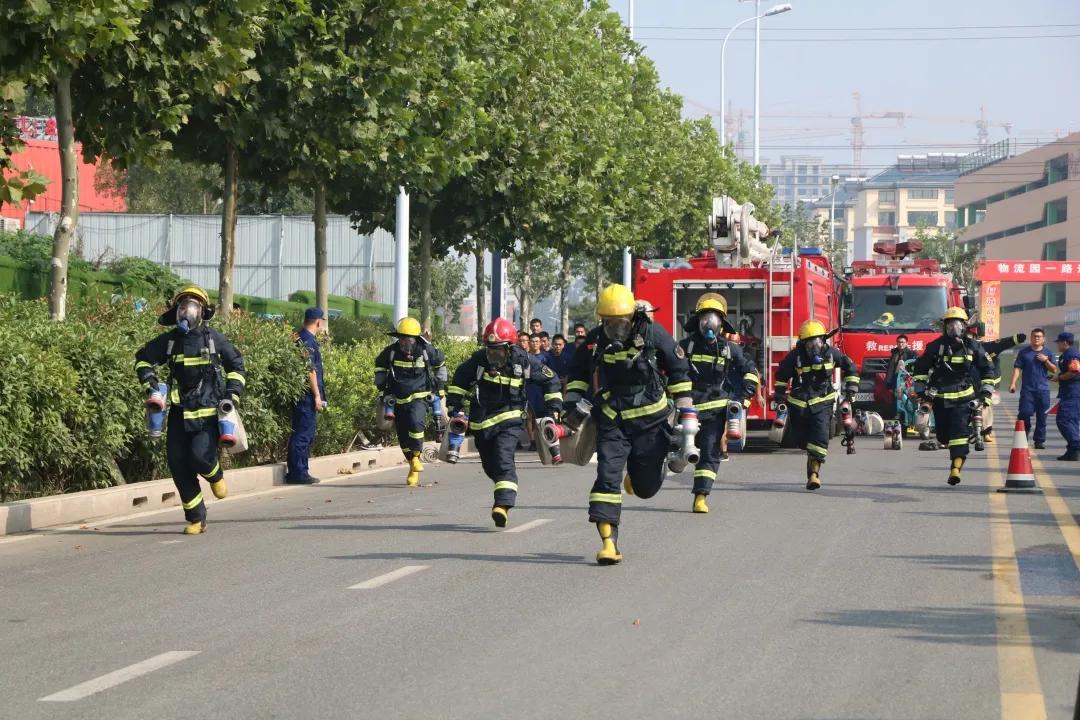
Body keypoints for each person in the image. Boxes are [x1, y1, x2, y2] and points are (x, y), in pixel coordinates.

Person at [564, 284, 692, 565]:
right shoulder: (595, 341)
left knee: (645, 489)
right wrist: (570, 405)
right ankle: (609, 543)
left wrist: (686, 414)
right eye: (609, 323)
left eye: (621, 322)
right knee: (606, 477)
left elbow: (679, 372)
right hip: (613, 421)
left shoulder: (653, 333)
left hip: (651, 421)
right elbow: (577, 374)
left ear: (632, 316)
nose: (616, 329)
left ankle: (645, 472)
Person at [135, 286, 246, 534]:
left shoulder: (213, 339)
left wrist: (232, 396)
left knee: (199, 457)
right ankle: (197, 518)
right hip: (178, 411)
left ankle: (215, 475)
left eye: (193, 306)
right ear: (176, 311)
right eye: (183, 306)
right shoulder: (170, 341)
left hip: (207, 412)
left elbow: (237, 366)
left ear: (202, 311)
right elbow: (142, 358)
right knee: (177, 464)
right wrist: (150, 382)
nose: (188, 311)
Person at [446, 318, 562, 526]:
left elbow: (551, 380)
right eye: (490, 350)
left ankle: (502, 505)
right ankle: (503, 490)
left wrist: (554, 410)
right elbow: (460, 380)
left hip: (511, 419)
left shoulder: (523, 361)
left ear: (509, 348)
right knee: (491, 467)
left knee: (503, 459)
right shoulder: (479, 360)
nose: (493, 355)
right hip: (482, 423)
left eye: (498, 350)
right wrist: (455, 406)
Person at [678, 293, 759, 513]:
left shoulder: (729, 349)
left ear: (722, 323)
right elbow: (667, 372)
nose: (709, 323)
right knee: (666, 445)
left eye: (714, 318)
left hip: (714, 409)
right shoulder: (685, 347)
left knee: (709, 452)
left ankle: (701, 496)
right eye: (705, 318)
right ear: (698, 321)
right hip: (685, 408)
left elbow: (750, 372)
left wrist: (744, 398)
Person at [912, 307, 998, 485]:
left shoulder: (974, 346)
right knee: (943, 437)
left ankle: (955, 470)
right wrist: (921, 392)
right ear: (945, 326)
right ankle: (960, 446)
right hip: (941, 399)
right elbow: (920, 369)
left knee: (958, 435)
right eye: (950, 324)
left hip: (964, 399)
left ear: (964, 326)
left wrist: (986, 393)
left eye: (958, 324)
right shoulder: (935, 346)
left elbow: (988, 370)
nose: (954, 328)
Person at [772, 319, 860, 491]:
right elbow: (781, 375)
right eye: (811, 342)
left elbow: (851, 368)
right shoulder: (795, 356)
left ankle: (814, 474)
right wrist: (780, 397)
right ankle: (811, 459)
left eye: (818, 341)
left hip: (822, 402)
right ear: (803, 343)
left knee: (819, 438)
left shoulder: (832, 353)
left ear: (823, 340)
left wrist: (850, 390)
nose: (815, 346)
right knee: (801, 441)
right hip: (799, 404)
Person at [374, 318, 448, 486]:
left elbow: (440, 363)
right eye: (401, 338)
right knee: (402, 434)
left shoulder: (426, 350)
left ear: (416, 339)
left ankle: (416, 456)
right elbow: (379, 364)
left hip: (419, 395)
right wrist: (380, 383)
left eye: (408, 338)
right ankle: (411, 462)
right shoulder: (391, 352)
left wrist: (440, 388)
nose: (404, 341)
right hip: (397, 398)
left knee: (416, 423)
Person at [286, 308, 328, 484]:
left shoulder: (297, 336)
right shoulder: (308, 341)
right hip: (306, 395)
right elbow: (309, 370)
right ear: (318, 322)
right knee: (303, 434)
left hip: (300, 393)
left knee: (299, 433)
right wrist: (317, 395)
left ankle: (295, 470)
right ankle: (299, 473)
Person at [973, 329, 1024, 444]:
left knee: (985, 406)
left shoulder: (988, 347)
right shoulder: (961, 348)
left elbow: (1003, 343)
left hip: (988, 383)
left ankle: (986, 432)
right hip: (969, 383)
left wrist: (1016, 338)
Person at [1010, 329, 1056, 450]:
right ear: (1031, 338)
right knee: (1025, 412)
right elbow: (1017, 369)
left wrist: (1045, 360)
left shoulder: (1048, 352)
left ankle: (1039, 441)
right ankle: (1026, 429)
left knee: (1042, 417)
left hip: (1043, 390)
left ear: (1043, 339)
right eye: (1034, 336)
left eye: (1039, 336)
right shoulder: (1024, 353)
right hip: (1028, 390)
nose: (1036, 338)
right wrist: (1013, 383)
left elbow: (1054, 370)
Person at [1054, 332, 1080, 461]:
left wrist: (1059, 377)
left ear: (1065, 342)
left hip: (1073, 392)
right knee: (1072, 421)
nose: (1057, 344)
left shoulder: (1072, 354)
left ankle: (1076, 443)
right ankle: (1072, 452)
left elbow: (1073, 372)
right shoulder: (1067, 355)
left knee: (1063, 420)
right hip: (1069, 391)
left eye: (1058, 342)